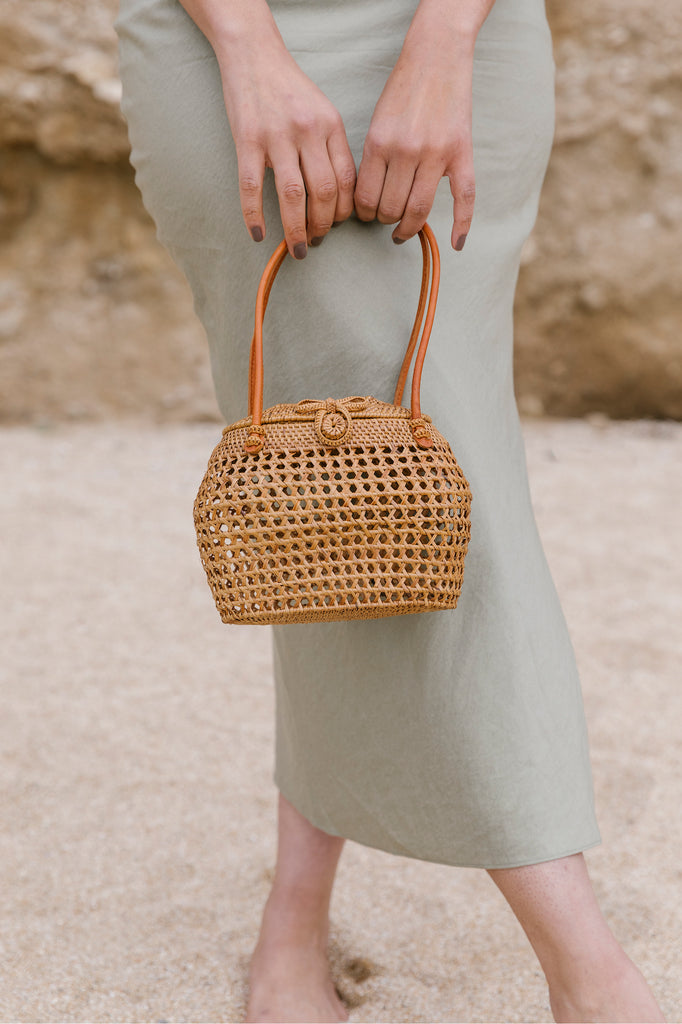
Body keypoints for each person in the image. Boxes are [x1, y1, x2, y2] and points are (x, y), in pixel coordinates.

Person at [114, 0, 666, 1020]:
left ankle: (300, 913)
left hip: (465, 35)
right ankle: (589, 973)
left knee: (406, 477)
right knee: (334, 484)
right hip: (220, 40)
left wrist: (446, 36)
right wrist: (247, 45)